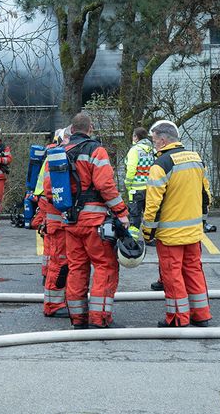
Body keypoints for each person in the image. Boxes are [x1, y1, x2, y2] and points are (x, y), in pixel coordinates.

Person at [44, 113, 130, 329]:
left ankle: (78, 318)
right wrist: (121, 212)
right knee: (105, 266)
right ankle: (99, 318)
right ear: (90, 128)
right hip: (95, 221)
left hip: (70, 222)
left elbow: (49, 191)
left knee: (76, 268)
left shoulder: (58, 152)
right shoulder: (96, 150)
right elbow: (105, 185)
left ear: (72, 130)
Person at [141, 120, 214, 328]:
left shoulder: (161, 164)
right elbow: (206, 195)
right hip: (193, 232)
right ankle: (201, 314)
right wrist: (202, 222)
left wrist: (147, 232)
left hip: (170, 235)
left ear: (163, 141)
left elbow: (153, 203)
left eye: (155, 140)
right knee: (194, 271)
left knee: (172, 275)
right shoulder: (196, 159)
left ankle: (177, 318)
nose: (154, 144)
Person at [32, 127, 71, 317]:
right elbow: (52, 190)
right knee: (59, 260)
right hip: (57, 216)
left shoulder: (56, 155)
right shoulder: (57, 157)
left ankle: (58, 299)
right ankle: (53, 305)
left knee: (56, 258)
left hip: (53, 213)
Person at [123, 127, 153, 228]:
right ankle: (150, 236)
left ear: (136, 137)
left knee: (134, 216)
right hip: (149, 188)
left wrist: (127, 184)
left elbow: (131, 169)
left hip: (136, 189)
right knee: (149, 215)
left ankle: (133, 237)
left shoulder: (134, 150)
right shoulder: (151, 150)